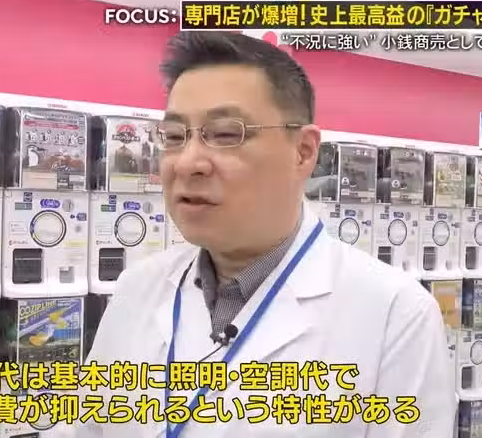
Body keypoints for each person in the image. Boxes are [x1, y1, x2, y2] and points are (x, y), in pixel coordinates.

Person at [57, 31, 456, 437]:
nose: (188, 162)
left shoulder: (395, 314)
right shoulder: (137, 288)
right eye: (175, 137)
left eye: (226, 134)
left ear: (303, 151)